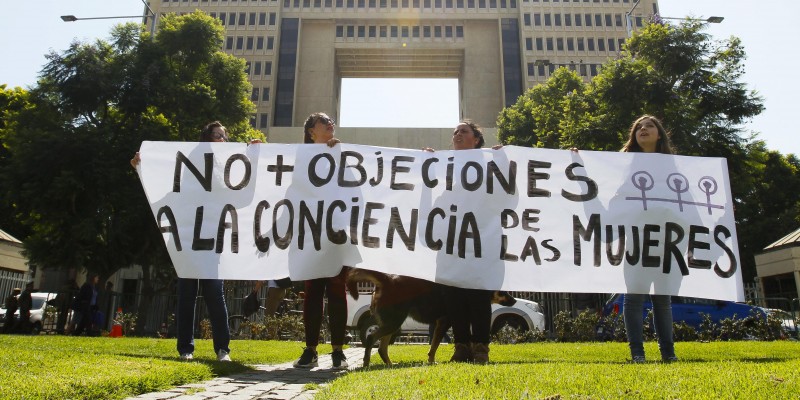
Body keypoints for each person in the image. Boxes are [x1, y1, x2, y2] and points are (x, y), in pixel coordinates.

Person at [131, 121, 233, 362]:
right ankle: (185, 348)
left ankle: (223, 349)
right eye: (218, 135)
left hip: (212, 238)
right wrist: (141, 168)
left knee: (214, 294)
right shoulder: (188, 164)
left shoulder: (225, 167)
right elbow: (165, 187)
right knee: (187, 293)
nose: (223, 140)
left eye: (225, 137)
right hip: (188, 237)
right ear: (206, 138)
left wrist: (256, 153)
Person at [424, 120, 500, 364]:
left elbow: (505, 196)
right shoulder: (444, 166)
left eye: (463, 131)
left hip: (478, 242)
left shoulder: (490, 163)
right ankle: (461, 347)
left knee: (478, 296)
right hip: (450, 243)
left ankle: (480, 348)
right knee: (453, 296)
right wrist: (424, 165)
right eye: (455, 132)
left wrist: (503, 162)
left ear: (476, 139)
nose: (457, 134)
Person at [292, 112, 349, 370]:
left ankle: (338, 350)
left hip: (336, 234)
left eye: (331, 122)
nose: (329, 124)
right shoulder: (299, 157)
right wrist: (258, 154)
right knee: (313, 292)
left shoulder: (343, 154)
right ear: (311, 131)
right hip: (311, 232)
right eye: (323, 122)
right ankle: (311, 349)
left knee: (337, 291)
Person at [621, 114, 678, 363]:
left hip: (665, 237)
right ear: (634, 136)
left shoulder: (674, 165)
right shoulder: (622, 164)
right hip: (635, 236)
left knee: (662, 299)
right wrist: (577, 161)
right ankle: (637, 354)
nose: (643, 129)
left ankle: (668, 353)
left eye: (650, 125)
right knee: (634, 297)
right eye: (638, 127)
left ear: (659, 134)